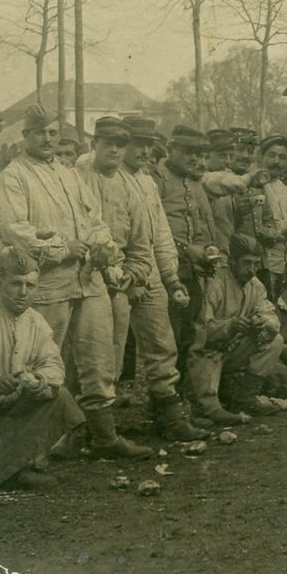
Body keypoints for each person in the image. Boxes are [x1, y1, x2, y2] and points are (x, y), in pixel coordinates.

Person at [0, 105, 149, 458]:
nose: (47, 139)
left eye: (52, 132)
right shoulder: (13, 176)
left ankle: (104, 438)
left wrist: (104, 247)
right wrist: (64, 248)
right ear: (25, 137)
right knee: (42, 363)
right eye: (39, 133)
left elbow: (94, 219)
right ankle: (32, 452)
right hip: (48, 282)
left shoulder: (67, 173)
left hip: (88, 279)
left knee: (98, 357)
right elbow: (16, 231)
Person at [0, 247, 86, 492]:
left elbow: (53, 364)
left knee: (58, 396)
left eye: (30, 286)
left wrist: (38, 379)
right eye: (15, 284)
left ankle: (16, 468)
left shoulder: (35, 321)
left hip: (6, 409)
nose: (23, 292)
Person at [118, 117, 210, 438]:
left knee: (165, 343)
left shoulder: (145, 180)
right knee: (109, 351)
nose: (144, 151)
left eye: (148, 144)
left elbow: (161, 233)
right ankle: (92, 428)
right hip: (116, 272)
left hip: (155, 268)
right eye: (135, 143)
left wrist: (171, 276)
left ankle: (169, 415)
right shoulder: (108, 177)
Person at [75, 117, 160, 423]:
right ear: (93, 144)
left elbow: (141, 245)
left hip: (116, 281)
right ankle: (70, 427)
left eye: (120, 145)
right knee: (79, 358)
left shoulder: (130, 188)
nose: (114, 150)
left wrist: (131, 274)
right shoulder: (74, 178)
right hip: (79, 280)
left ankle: (102, 427)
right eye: (107, 143)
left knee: (113, 356)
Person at [153, 124, 223, 417]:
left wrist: (207, 249)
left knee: (193, 339)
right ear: (171, 151)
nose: (195, 160)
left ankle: (193, 403)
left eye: (200, 154)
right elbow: (154, 227)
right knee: (167, 341)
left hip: (193, 272)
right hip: (165, 272)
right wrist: (185, 249)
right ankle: (164, 407)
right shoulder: (157, 180)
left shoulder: (195, 185)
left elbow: (204, 225)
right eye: (189, 153)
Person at [196, 234, 286, 416]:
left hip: (232, 351)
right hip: (206, 354)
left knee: (275, 341)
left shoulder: (256, 285)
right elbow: (201, 331)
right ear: (232, 261)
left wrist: (262, 322)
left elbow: (271, 317)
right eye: (246, 263)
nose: (252, 269)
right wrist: (231, 325)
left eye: (256, 264)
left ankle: (244, 398)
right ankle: (211, 396)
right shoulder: (215, 283)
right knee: (205, 411)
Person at [254, 133, 287, 299]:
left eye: (282, 157)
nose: (277, 161)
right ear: (261, 157)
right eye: (272, 155)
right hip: (267, 265)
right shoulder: (255, 186)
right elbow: (258, 231)